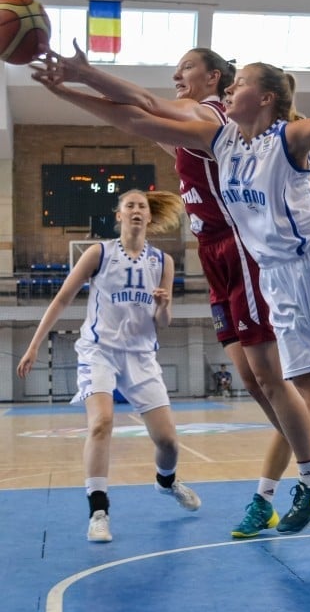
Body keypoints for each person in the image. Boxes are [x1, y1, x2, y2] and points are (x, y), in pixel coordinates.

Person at [33, 23, 310, 587]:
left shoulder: (290, 138)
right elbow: (135, 115)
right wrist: (68, 86)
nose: (227, 94)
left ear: (266, 98)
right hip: (281, 284)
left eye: (237, 87)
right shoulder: (218, 142)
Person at [70, 46, 310, 540]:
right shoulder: (197, 123)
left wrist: (82, 76)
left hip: (241, 249)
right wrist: (66, 88)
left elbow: (137, 108)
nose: (176, 74)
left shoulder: (211, 114)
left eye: (186, 67)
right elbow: (135, 115)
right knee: (254, 381)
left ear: (214, 78)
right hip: (215, 255)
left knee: (273, 377)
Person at [16, 189, 201, 542]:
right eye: (129, 205)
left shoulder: (163, 262)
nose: (135, 210)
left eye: (141, 207)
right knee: (101, 423)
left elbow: (163, 321)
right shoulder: (99, 254)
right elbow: (61, 299)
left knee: (169, 442)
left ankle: (167, 481)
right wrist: (34, 344)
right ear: (118, 215)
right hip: (99, 351)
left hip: (142, 356)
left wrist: (163, 305)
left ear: (149, 217)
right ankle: (98, 511)